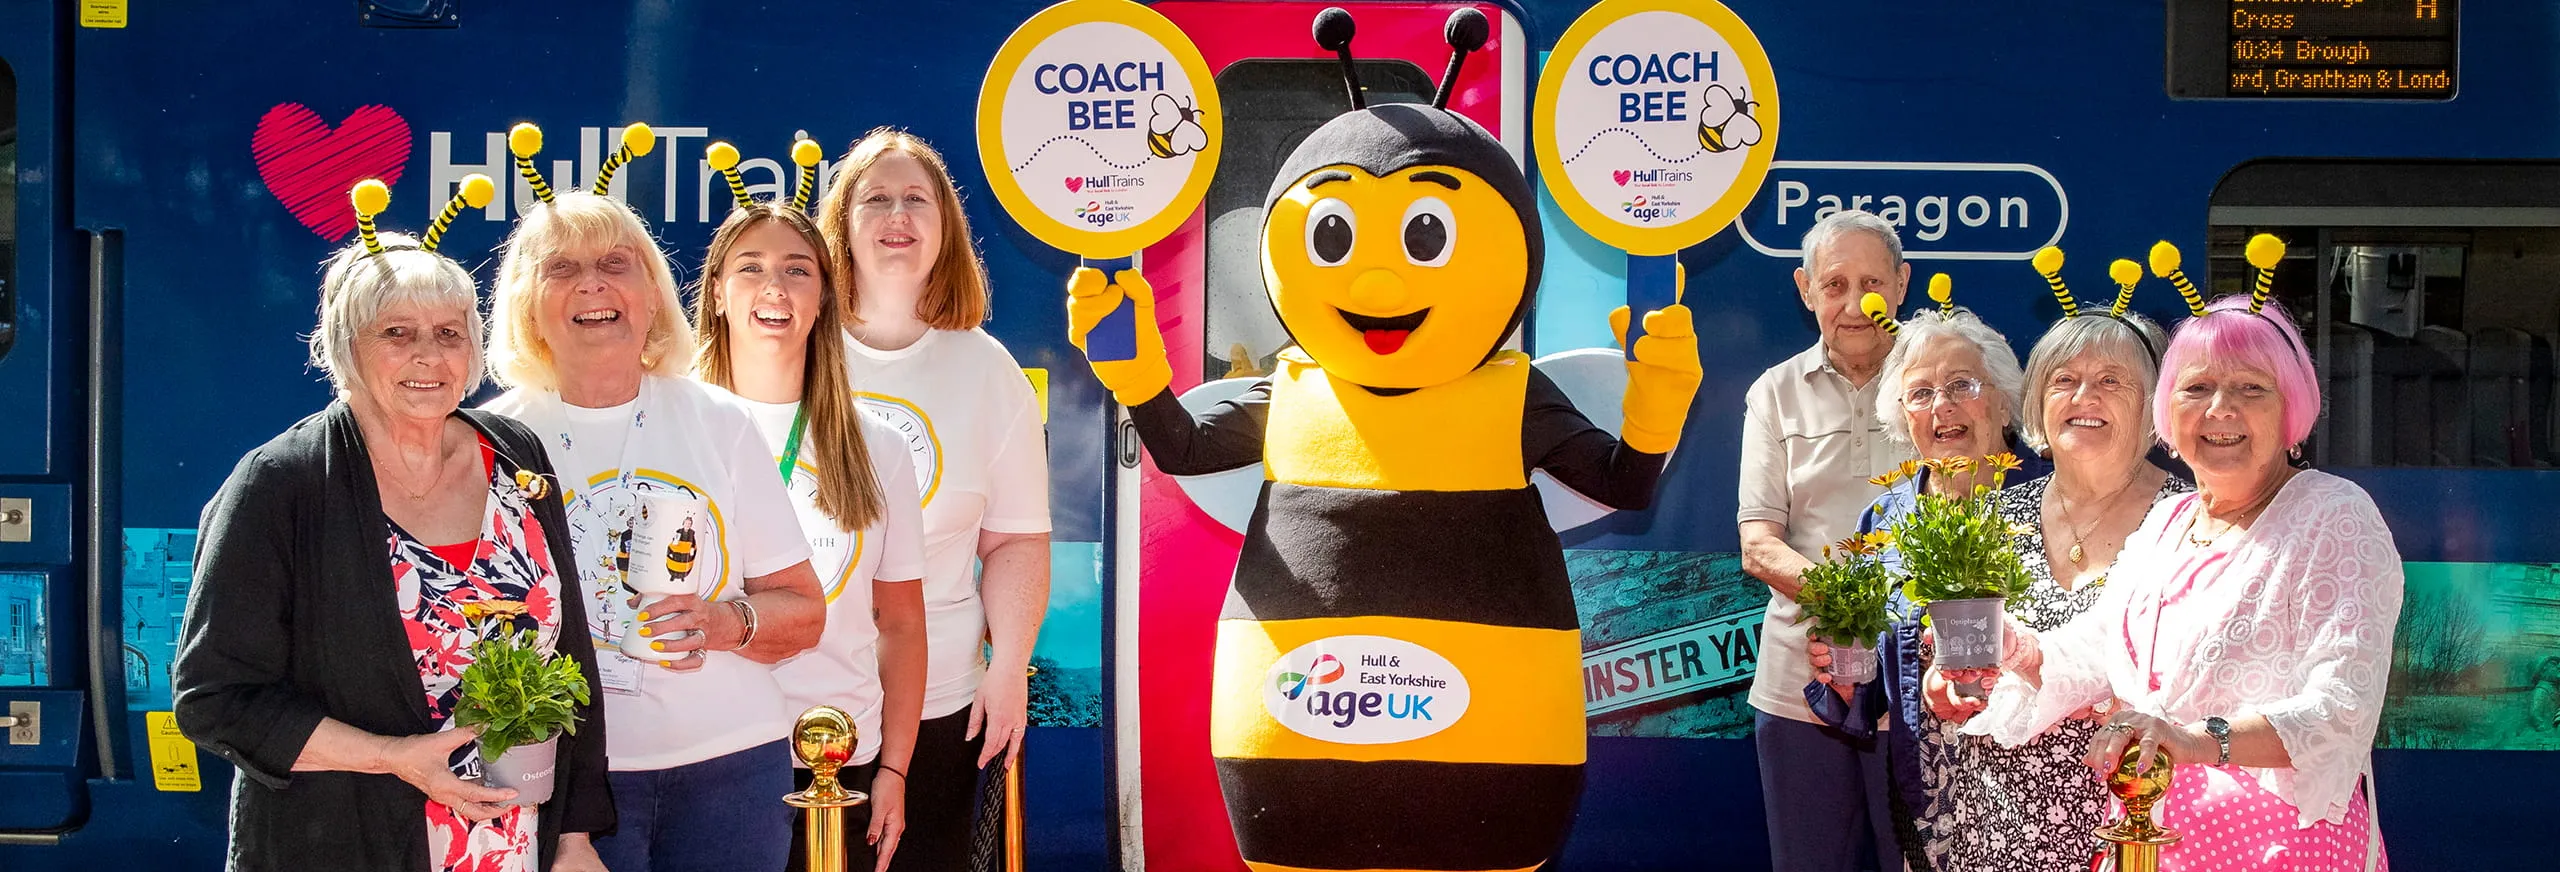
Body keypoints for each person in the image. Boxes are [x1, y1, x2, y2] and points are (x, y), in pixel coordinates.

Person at [175, 212, 612, 871]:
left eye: (448, 334)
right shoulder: (282, 482)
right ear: (346, 347)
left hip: (510, 845)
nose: (428, 357)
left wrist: (574, 839)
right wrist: (395, 759)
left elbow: (569, 652)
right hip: (342, 842)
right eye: (397, 334)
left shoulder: (513, 453)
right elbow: (217, 699)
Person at [1955, 296, 2402, 870]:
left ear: (2290, 406)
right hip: (2150, 841)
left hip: (2280, 848)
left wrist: (2197, 741)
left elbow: (2340, 706)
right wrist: (2016, 648)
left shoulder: (2333, 514)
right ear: (2168, 408)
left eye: (2250, 389)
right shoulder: (2169, 522)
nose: (2219, 409)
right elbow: (2095, 651)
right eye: (2196, 388)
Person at [483, 176, 827, 871]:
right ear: (526, 303)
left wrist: (725, 622)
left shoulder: (719, 421)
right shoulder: (492, 442)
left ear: (651, 297)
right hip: (564, 781)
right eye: (564, 268)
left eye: (616, 265)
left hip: (731, 768)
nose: (593, 286)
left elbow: (804, 611)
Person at [815, 127, 1051, 869]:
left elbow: (1015, 541)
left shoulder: (988, 371)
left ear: (944, 228)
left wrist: (1008, 667)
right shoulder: (791, 348)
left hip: (942, 701)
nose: (898, 214)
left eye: (917, 199)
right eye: (875, 198)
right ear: (841, 229)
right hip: (795, 703)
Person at [690, 199, 927, 872]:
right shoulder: (674, 431)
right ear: (716, 292)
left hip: (838, 770)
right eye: (751, 268)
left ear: (823, 299)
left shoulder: (876, 448)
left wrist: (897, 772)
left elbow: (901, 624)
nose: (774, 288)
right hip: (706, 767)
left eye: (797, 270)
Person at [1913, 307, 2189, 870]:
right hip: (1994, 827)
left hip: (2142, 829)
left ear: (2153, 405)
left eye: (2111, 381)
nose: (2084, 396)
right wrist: (1944, 681)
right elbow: (1956, 661)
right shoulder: (1994, 515)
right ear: (2039, 400)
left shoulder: (2189, 521)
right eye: (2064, 380)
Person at [1805, 301, 2029, 869]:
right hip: (1924, 809)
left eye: (1961, 384)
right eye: (1921, 393)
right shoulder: (1884, 521)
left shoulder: (2048, 508)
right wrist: (1843, 682)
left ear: (2002, 399)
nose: (1942, 407)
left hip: (2039, 799)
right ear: (1904, 417)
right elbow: (1871, 682)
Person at [1736, 210, 1915, 871]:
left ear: (1900, 285)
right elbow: (1759, 545)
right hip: (1801, 692)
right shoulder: (1775, 393)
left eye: (1871, 282)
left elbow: (1982, 514)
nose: (1853, 302)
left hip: (1923, 692)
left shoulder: (1942, 385)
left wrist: (1899, 624)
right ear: (1805, 288)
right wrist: (1852, 609)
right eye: (1834, 284)